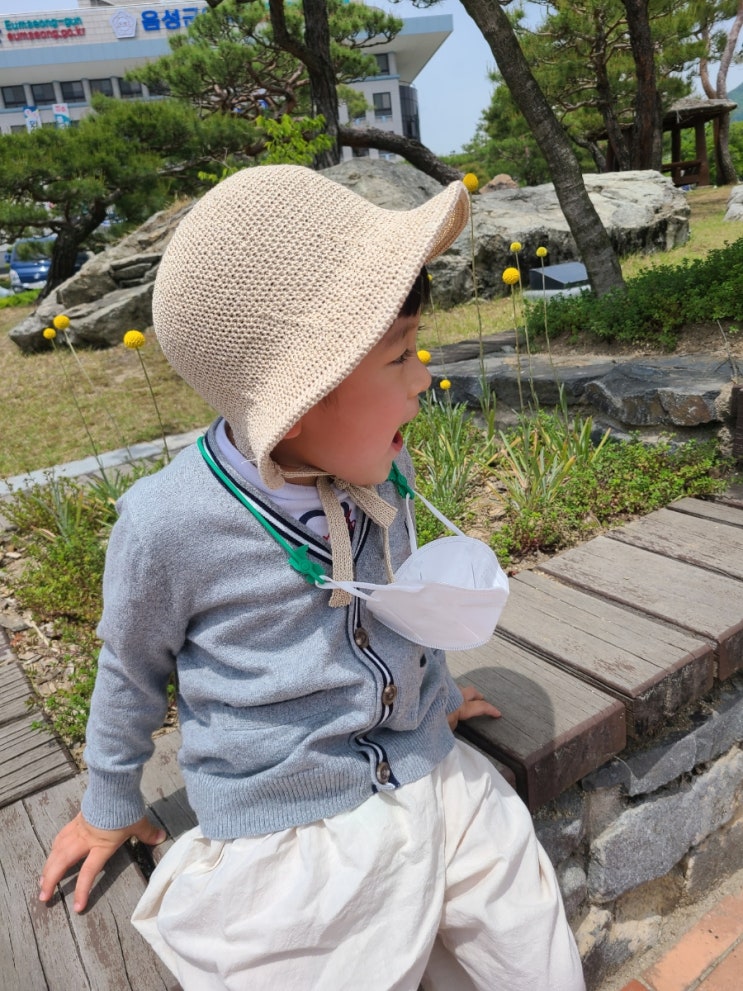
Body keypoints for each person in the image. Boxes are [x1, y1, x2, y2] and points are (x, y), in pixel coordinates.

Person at [39, 165, 585, 991]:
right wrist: (108, 803)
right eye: (400, 355)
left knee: (530, 952)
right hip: (287, 827)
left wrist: (431, 691)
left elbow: (401, 601)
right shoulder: (168, 525)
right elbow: (129, 670)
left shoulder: (380, 471)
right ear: (300, 398)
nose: (423, 377)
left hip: (428, 767)